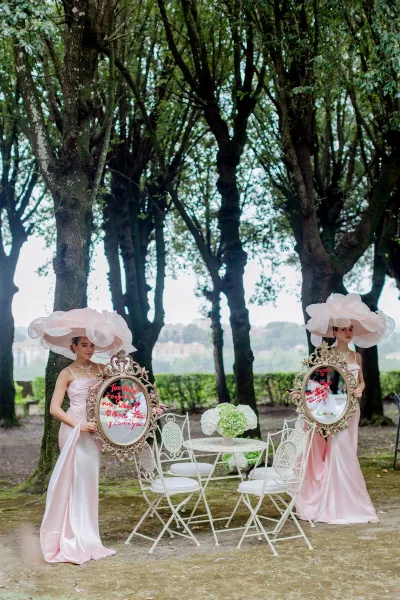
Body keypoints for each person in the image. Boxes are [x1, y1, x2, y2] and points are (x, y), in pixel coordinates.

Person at [28, 308, 135, 564]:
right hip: (74, 432)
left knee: (89, 483)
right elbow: (55, 409)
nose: (89, 348)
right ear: (73, 347)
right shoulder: (66, 373)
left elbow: (119, 398)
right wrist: (78, 424)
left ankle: (88, 536)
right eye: (84, 344)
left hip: (94, 434)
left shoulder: (102, 369)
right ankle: (69, 538)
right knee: (73, 482)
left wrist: (144, 410)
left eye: (92, 344)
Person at [295, 293, 395, 525]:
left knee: (348, 452)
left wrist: (360, 389)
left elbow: (360, 382)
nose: (348, 332)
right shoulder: (326, 355)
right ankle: (333, 504)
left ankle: (352, 504)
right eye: (343, 329)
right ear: (335, 332)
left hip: (353, 411)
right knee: (338, 452)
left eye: (350, 328)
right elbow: (319, 384)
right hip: (334, 411)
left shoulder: (355, 355)